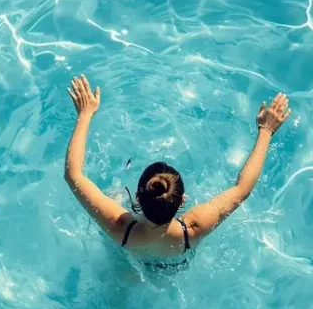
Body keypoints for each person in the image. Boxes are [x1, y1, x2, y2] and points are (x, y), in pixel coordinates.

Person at [63, 74, 291, 267]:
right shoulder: (194, 228)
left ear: (139, 197)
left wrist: (85, 114)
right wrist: (266, 130)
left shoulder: (119, 226)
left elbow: (73, 175)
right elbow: (243, 189)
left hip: (128, 257)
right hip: (174, 267)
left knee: (114, 196)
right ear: (183, 201)